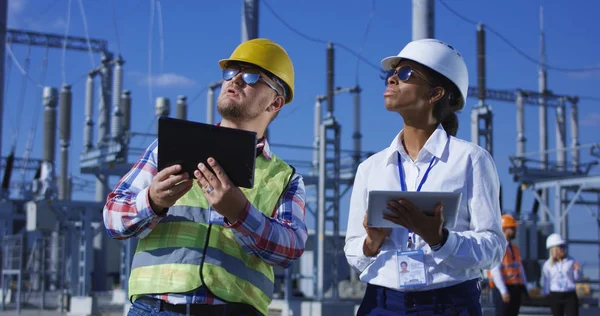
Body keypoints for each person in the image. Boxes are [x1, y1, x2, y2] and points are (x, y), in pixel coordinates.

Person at [103, 38, 308, 316]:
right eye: (230, 72)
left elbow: (291, 248)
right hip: (156, 308)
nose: (234, 80)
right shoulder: (167, 148)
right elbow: (113, 218)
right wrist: (152, 200)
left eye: (250, 76)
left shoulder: (285, 178)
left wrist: (240, 213)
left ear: (276, 102)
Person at [344, 38, 506, 315]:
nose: (392, 79)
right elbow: (352, 249)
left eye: (405, 73)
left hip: (449, 304)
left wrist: (441, 239)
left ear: (436, 93)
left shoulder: (471, 160)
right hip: (380, 304)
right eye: (392, 73)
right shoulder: (370, 167)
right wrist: (371, 243)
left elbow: (493, 248)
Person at [488, 214, 528, 316]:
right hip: (503, 289)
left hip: (515, 289)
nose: (515, 230)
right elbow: (495, 271)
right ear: (505, 229)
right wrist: (503, 291)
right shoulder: (497, 247)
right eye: (513, 228)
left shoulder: (514, 248)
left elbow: (520, 269)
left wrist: (525, 288)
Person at [541, 233, 581, 316]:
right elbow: (545, 281)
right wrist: (546, 294)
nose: (563, 249)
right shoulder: (547, 265)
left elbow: (577, 279)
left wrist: (577, 271)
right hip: (555, 295)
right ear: (554, 249)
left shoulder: (571, 261)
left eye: (564, 246)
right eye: (561, 247)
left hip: (570, 295)